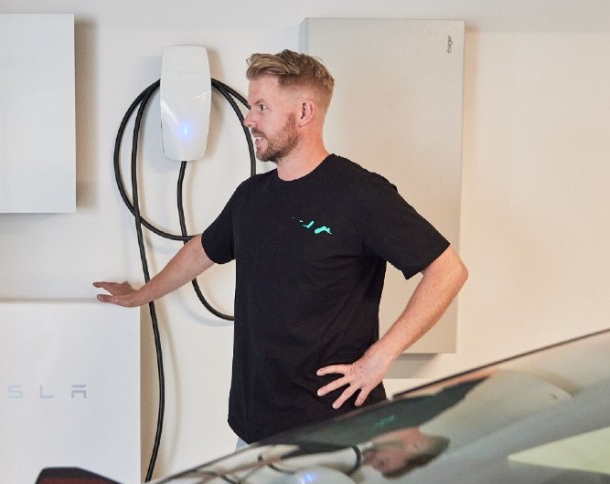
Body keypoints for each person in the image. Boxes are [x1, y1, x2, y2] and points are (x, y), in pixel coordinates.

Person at [94, 50, 468, 445]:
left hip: (334, 432)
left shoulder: (362, 195)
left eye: (261, 107)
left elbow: (448, 270)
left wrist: (379, 359)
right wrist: (140, 296)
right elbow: (199, 252)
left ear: (304, 112)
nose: (248, 118)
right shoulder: (251, 197)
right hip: (253, 429)